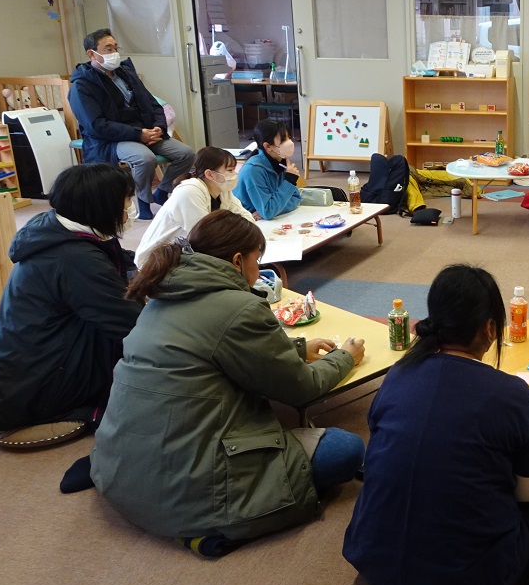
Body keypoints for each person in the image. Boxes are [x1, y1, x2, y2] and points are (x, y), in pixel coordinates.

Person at [90, 211, 366, 549]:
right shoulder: (240, 307)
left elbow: (209, 346)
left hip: (121, 470)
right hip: (190, 485)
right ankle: (207, 527)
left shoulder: (161, 295)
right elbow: (302, 388)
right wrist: (344, 357)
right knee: (345, 450)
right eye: (256, 261)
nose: (258, 270)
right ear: (237, 261)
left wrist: (295, 348)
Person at [342, 264, 529, 585]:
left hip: (372, 556)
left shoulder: (397, 375)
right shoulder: (510, 393)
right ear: (490, 329)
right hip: (461, 583)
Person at [0, 164, 142, 446]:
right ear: (102, 207)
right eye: (127, 201)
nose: (130, 209)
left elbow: (118, 262)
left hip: (18, 375)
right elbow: (131, 324)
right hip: (30, 392)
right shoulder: (75, 259)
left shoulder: (56, 227)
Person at [68, 28, 195, 220]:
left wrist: (158, 127)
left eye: (115, 48)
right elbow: (96, 125)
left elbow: (153, 104)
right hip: (112, 138)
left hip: (145, 131)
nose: (114, 53)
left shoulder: (126, 74)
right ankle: (143, 202)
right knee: (145, 158)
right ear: (91, 54)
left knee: (187, 153)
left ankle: (162, 191)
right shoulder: (82, 85)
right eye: (108, 49)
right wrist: (138, 134)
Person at [134, 146, 255, 268]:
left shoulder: (222, 190)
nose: (234, 174)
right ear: (210, 174)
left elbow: (245, 218)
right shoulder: (189, 191)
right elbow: (204, 238)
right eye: (230, 170)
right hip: (157, 263)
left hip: (185, 255)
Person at [234, 118, 301, 220]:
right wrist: (289, 180)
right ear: (268, 146)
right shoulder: (253, 170)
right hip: (243, 220)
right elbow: (268, 211)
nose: (290, 143)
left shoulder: (281, 161)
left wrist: (272, 210)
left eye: (289, 138)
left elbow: (296, 198)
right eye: (283, 140)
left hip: (261, 217)